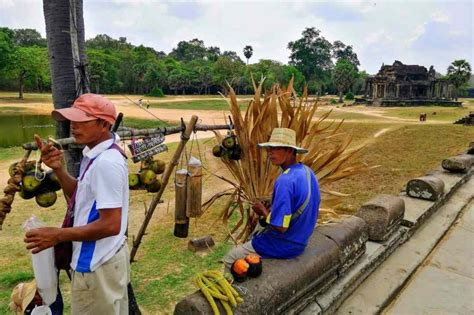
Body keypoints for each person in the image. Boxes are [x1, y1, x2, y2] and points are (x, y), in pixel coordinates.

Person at [24, 93, 130, 314]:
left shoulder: (106, 163)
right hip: (102, 259)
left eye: (82, 121)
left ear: (103, 124)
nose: (73, 126)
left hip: (97, 265)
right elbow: (80, 197)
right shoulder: (95, 154)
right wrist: (59, 169)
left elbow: (111, 225)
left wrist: (58, 235)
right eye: (72, 120)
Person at [223, 128, 320, 270]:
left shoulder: (285, 181)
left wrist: (262, 211)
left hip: (285, 244)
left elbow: (281, 227)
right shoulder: (306, 171)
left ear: (290, 150)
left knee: (230, 258)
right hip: (301, 238)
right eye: (269, 149)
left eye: (275, 148)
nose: (270, 153)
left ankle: (237, 290)